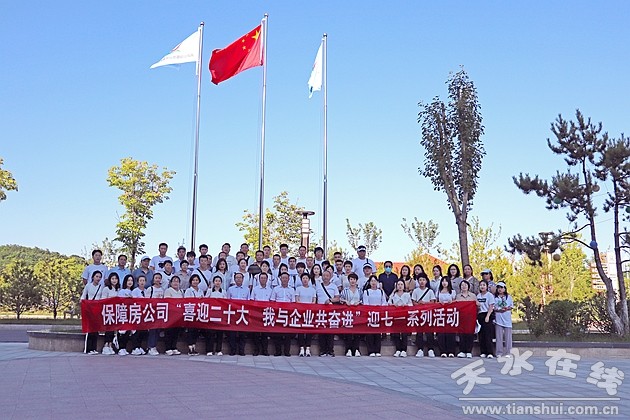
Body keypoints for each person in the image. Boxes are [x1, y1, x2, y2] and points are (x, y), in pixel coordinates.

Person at [270, 272, 295, 356]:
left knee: (288, 333)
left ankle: (287, 352)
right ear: (280, 279)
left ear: (288, 279)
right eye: (283, 278)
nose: (284, 280)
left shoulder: (292, 290)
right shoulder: (276, 289)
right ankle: (278, 351)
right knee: (277, 333)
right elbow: (272, 301)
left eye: (286, 278)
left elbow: (293, 302)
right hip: (278, 313)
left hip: (288, 313)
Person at [411, 276, 437, 358]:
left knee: (429, 332)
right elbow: (413, 302)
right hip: (419, 314)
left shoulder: (430, 291)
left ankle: (430, 349)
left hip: (428, 313)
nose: (422, 282)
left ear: (426, 281)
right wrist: (419, 304)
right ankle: (420, 349)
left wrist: (425, 303)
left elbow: (433, 302)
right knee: (419, 332)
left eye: (423, 280)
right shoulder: (415, 291)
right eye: (420, 280)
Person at [316, 270, 340, 356]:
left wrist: (330, 300)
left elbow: (337, 298)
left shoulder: (334, 286)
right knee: (321, 330)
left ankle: (330, 350)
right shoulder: (318, 286)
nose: (325, 277)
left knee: (330, 330)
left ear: (330, 277)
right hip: (320, 311)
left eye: (327, 276)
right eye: (324, 276)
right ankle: (322, 350)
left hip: (331, 311)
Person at [362, 275, 387, 357]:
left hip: (378, 315)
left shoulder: (381, 292)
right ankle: (370, 350)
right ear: (369, 282)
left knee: (378, 333)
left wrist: (380, 309)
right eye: (372, 281)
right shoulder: (366, 292)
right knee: (369, 333)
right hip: (369, 314)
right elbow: (365, 303)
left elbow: (384, 302)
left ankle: (377, 350)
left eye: (375, 281)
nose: (373, 283)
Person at [249, 272, 272, 356]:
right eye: (261, 278)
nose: (263, 280)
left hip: (266, 313)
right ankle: (256, 350)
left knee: (265, 333)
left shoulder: (270, 290)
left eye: (264, 278)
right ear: (259, 279)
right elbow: (252, 300)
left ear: (267, 280)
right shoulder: (255, 289)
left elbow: (272, 301)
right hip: (256, 313)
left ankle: (265, 350)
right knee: (256, 333)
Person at [227, 273, 250, 356]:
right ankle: (232, 350)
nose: (238, 279)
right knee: (232, 334)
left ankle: (241, 350)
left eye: (240, 277)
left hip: (243, 314)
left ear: (243, 279)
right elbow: (227, 301)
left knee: (242, 333)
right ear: (234, 279)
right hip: (233, 313)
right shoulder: (230, 289)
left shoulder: (247, 289)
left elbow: (249, 302)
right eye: (237, 278)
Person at [389, 280, 412, 357]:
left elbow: (411, 305)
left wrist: (405, 306)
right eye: (398, 284)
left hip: (405, 316)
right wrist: (393, 305)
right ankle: (398, 349)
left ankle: (404, 350)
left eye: (401, 284)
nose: (400, 286)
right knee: (396, 334)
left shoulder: (407, 295)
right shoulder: (393, 295)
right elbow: (389, 303)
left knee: (404, 334)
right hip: (396, 317)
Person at [340, 273, 362, 357]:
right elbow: (341, 299)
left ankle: (356, 349)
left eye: (354, 279)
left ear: (356, 281)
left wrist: (358, 302)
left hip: (357, 313)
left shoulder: (360, 290)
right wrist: (345, 301)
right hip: (347, 313)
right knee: (348, 331)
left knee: (357, 331)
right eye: (351, 279)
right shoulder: (345, 290)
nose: (352, 281)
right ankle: (348, 349)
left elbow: (363, 299)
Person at [81, 271, 103, 354]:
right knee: (90, 329)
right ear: (93, 277)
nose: (98, 278)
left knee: (96, 330)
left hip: (97, 310)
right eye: (97, 276)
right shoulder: (88, 286)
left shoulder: (101, 287)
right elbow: (83, 296)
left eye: (100, 277)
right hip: (89, 309)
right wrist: (83, 304)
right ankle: (88, 349)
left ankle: (94, 348)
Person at [295, 272, 316, 357]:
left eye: (306, 278)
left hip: (309, 312)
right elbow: (297, 300)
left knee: (308, 330)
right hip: (300, 312)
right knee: (300, 330)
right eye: (303, 278)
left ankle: (308, 348)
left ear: (309, 280)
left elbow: (314, 301)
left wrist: (309, 307)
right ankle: (301, 348)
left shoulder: (312, 290)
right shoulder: (298, 289)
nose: (305, 280)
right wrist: (302, 307)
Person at [456, 280, 478, 358]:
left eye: (465, 285)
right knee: (461, 334)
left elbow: (477, 305)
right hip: (461, 317)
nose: (464, 286)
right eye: (462, 285)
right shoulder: (458, 296)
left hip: (470, 318)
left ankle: (469, 351)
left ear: (468, 286)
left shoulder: (473, 296)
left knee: (470, 334)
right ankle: (462, 351)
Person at [205, 276, 227, 356]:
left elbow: (226, 302)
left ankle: (218, 350)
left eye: (219, 281)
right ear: (213, 282)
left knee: (219, 333)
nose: (217, 282)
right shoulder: (210, 291)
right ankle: (209, 350)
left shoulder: (224, 291)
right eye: (216, 281)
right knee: (210, 333)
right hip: (211, 314)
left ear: (221, 283)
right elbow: (206, 300)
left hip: (220, 315)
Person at [436, 277, 457, 357]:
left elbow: (456, 302)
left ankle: (451, 351)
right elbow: (435, 302)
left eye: (446, 281)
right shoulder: (438, 291)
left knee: (450, 333)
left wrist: (451, 302)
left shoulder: (453, 292)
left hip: (450, 314)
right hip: (440, 314)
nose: (444, 283)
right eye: (443, 281)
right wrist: (439, 303)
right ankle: (443, 351)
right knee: (441, 333)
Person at [184, 274, 204, 355]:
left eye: (196, 280)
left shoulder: (201, 291)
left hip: (198, 313)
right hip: (190, 313)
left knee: (196, 330)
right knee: (190, 330)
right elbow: (186, 301)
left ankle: (194, 347)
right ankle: (190, 348)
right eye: (193, 280)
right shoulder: (188, 290)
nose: (195, 282)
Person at [145, 274, 165, 356]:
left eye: (159, 278)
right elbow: (146, 300)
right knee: (152, 330)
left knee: (157, 330)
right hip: (152, 311)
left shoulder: (162, 289)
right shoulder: (150, 289)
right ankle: (151, 346)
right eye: (156, 278)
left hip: (159, 312)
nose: (157, 280)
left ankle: (154, 346)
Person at [100, 272, 120, 355]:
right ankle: (105, 346)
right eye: (112, 279)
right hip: (108, 311)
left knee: (113, 329)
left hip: (116, 311)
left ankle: (110, 345)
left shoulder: (118, 289)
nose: (114, 280)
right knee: (108, 329)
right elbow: (103, 300)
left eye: (116, 279)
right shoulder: (106, 289)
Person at [163, 276, 183, 356]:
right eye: (174, 281)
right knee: (169, 332)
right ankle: (168, 348)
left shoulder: (181, 291)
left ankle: (174, 347)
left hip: (178, 315)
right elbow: (167, 301)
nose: (175, 283)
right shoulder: (168, 291)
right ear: (171, 283)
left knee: (176, 332)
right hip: (170, 314)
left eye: (177, 281)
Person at [130, 275, 149, 355]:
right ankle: (135, 347)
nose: (142, 282)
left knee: (142, 331)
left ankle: (139, 346)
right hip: (136, 312)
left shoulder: (147, 291)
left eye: (143, 281)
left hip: (144, 313)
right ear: (137, 282)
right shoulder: (135, 291)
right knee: (136, 331)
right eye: (140, 281)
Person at [477, 279, 495, 358]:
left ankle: (490, 352)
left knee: (488, 335)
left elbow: (491, 306)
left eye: (484, 285)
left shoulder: (489, 295)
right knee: (481, 335)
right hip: (480, 315)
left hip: (487, 315)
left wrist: (488, 316)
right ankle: (483, 351)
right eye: (481, 285)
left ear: (487, 286)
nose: (482, 287)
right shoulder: (478, 296)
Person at [494, 281, 513, 358]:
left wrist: (506, 308)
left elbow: (511, 306)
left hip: (507, 319)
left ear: (505, 289)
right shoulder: (495, 297)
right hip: (498, 319)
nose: (500, 289)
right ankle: (499, 352)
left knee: (508, 337)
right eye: (498, 288)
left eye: (501, 288)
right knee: (499, 337)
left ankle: (508, 352)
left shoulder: (509, 297)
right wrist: (499, 309)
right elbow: (493, 307)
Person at [116, 275, 135, 355]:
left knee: (128, 332)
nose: (130, 282)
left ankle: (124, 347)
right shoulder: (122, 291)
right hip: (123, 313)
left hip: (131, 313)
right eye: (128, 280)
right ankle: (121, 348)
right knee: (122, 331)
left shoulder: (134, 291)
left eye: (131, 280)